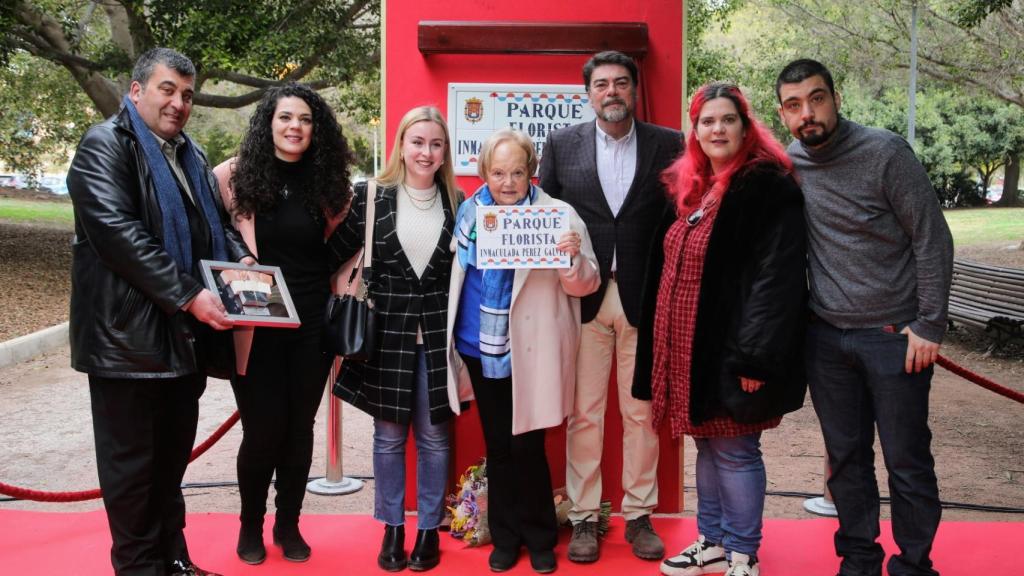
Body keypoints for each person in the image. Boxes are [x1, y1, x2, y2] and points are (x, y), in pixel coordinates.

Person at [67, 47, 252, 576]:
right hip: (127, 342)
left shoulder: (188, 154)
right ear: (136, 91)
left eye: (187, 94)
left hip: (180, 341)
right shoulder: (104, 145)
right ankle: (139, 567)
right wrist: (192, 294)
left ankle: (174, 561)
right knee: (132, 473)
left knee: (170, 467)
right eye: (167, 89)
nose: (178, 103)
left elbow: (217, 222)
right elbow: (120, 237)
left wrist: (244, 263)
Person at [776, 59, 953, 576]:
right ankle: (858, 559)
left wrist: (930, 324)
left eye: (816, 99)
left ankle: (915, 565)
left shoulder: (885, 153)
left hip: (895, 335)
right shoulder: (791, 162)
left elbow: (932, 238)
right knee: (846, 460)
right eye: (794, 105)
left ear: (835, 97)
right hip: (827, 339)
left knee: (907, 460)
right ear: (783, 113)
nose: (807, 113)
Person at [633, 82, 808, 576]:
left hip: (733, 350)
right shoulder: (695, 186)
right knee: (706, 443)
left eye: (727, 119)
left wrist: (755, 358)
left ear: (745, 126)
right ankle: (711, 542)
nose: (717, 129)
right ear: (695, 131)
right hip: (688, 346)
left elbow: (778, 280)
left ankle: (743, 553)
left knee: (735, 449)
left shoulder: (768, 185)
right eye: (707, 121)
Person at [538, 49, 682, 563]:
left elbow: (681, 215)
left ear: (634, 90)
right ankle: (583, 518)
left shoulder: (671, 145)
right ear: (588, 93)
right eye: (602, 84)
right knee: (584, 416)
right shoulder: (560, 144)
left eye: (621, 83)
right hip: (583, 297)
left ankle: (640, 514)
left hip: (645, 297)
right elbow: (542, 213)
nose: (612, 92)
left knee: (641, 414)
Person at [446, 128, 601, 574]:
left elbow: (585, 284)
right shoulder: (469, 214)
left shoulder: (558, 214)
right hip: (478, 346)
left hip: (532, 350)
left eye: (517, 171)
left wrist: (572, 258)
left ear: (532, 170)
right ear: (484, 173)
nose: (508, 182)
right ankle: (505, 535)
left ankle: (539, 537)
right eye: (498, 172)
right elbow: (458, 277)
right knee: (498, 446)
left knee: (529, 446)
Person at [212, 83, 353, 565]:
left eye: (305, 120)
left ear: (317, 129)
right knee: (262, 431)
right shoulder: (232, 177)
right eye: (286, 117)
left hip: (312, 322)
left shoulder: (331, 185)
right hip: (257, 323)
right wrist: (240, 260)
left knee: (299, 430)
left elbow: (342, 250)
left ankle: (288, 524)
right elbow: (216, 238)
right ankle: (249, 526)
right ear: (268, 122)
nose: (295, 127)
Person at [331, 105, 461, 572]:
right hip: (385, 336)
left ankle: (428, 530)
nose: (426, 152)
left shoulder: (458, 202)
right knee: (387, 439)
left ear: (445, 151)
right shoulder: (371, 196)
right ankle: (392, 528)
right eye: (418, 142)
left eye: (436, 144)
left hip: (439, 338)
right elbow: (332, 252)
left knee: (435, 439)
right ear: (402, 146)